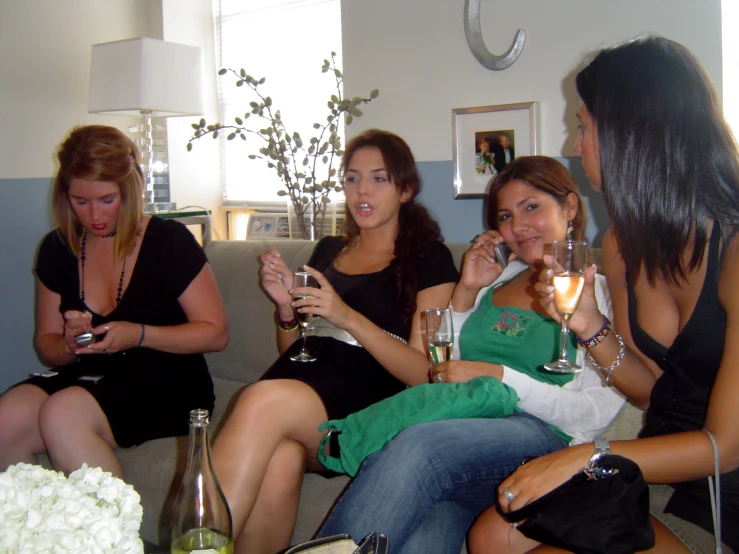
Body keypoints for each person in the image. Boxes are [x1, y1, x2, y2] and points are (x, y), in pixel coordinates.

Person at [470, 35, 739, 554]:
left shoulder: (734, 253)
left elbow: (725, 447)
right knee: (490, 533)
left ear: (631, 134)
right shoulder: (620, 246)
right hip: (654, 470)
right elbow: (649, 391)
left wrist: (587, 455)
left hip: (723, 496)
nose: (575, 145)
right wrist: (588, 323)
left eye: (583, 127)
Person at [317, 156, 626, 553]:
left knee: (420, 446)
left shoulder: (602, 293)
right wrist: (467, 289)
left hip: (540, 436)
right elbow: (448, 367)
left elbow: (597, 413)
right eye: (505, 215)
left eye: (532, 206)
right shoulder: (498, 281)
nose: (518, 227)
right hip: (464, 431)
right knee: (424, 536)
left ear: (568, 207)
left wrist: (502, 378)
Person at [211, 129, 459, 554]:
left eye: (379, 179)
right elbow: (294, 352)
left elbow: (426, 373)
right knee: (280, 460)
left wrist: (345, 314)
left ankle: (197, 546)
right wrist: (286, 309)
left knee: (259, 400)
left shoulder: (430, 259)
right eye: (351, 178)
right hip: (302, 395)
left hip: (364, 405)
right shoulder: (327, 249)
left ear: (406, 189)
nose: (362, 191)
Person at [0, 125, 228, 478]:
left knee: (62, 412)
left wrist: (138, 334)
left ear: (130, 190)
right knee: (7, 417)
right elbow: (47, 346)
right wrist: (71, 344)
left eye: (107, 200)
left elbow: (215, 334)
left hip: (167, 378)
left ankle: (114, 533)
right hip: (88, 374)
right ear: (65, 195)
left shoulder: (169, 242)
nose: (94, 216)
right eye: (81, 202)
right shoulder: (56, 248)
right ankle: (40, 528)